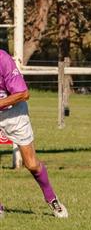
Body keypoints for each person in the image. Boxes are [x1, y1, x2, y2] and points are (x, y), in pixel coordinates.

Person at [0, 49, 67, 218]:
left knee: (31, 164)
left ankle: (52, 199)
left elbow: (23, 94)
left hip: (14, 113)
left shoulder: (3, 59)